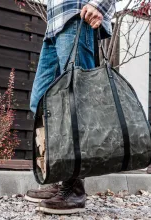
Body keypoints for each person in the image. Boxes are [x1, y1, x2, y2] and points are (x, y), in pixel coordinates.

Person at [25, 0, 115, 215]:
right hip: (55, 25)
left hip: (78, 16)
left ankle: (74, 188)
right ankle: (58, 177)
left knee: (76, 103)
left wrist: (100, 5)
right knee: (40, 103)